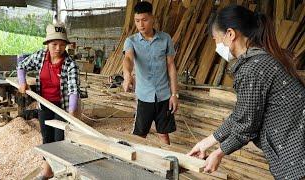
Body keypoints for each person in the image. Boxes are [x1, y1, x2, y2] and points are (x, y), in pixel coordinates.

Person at [187, 5, 305, 179]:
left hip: (296, 152)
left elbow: (247, 125)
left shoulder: (253, 68)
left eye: (215, 39)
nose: (216, 46)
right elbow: (241, 114)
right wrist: (206, 142)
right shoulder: (262, 59)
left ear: (230, 34)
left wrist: (218, 153)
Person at [17, 23, 80, 179]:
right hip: (44, 104)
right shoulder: (40, 56)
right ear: (47, 44)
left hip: (62, 107)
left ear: (66, 45)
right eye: (54, 44)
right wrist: (21, 81)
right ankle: (47, 170)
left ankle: (59, 172)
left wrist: (71, 113)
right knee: (47, 138)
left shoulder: (70, 64)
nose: (58, 48)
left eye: (62, 44)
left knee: (59, 139)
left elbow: (73, 90)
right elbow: (21, 66)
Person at [122, 1, 178, 145]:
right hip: (144, 96)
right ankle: (136, 165)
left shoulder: (165, 39)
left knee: (163, 135)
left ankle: (167, 165)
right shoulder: (131, 41)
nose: (141, 24)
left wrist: (174, 95)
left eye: (145, 20)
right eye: (137, 21)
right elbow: (128, 58)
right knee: (140, 136)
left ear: (153, 18)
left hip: (164, 95)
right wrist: (127, 76)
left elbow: (171, 66)